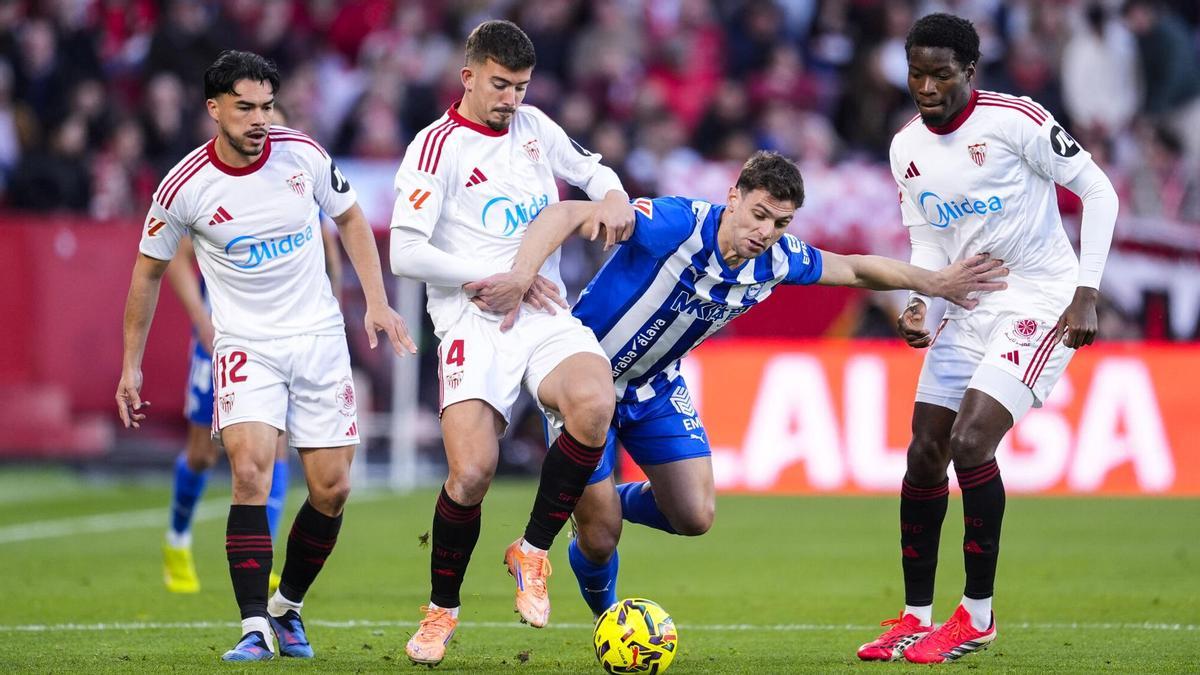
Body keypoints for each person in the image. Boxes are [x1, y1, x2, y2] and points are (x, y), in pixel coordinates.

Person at [468, 150, 1010, 624]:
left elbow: (853, 268)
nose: (766, 232)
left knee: (695, 516)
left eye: (781, 222)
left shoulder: (777, 261)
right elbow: (563, 213)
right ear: (733, 198)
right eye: (758, 215)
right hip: (583, 379)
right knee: (602, 533)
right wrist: (521, 275)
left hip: (654, 387)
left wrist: (934, 282)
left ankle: (598, 502)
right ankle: (607, 612)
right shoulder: (674, 223)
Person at [115, 50, 416, 662]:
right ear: (215, 108)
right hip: (245, 345)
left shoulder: (302, 155)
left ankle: (287, 608)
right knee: (250, 472)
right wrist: (131, 364)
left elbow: (354, 221)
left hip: (320, 339)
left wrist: (376, 302)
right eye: (245, 107)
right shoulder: (184, 187)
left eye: (266, 106)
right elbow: (146, 275)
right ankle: (253, 624)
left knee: (330, 489)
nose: (259, 119)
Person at [852, 13, 1117, 663]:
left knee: (972, 439)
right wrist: (919, 300)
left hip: (1040, 298)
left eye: (942, 73)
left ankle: (977, 615)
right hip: (965, 306)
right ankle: (915, 616)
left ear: (970, 70)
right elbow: (927, 236)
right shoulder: (904, 147)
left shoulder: (1015, 120)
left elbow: (1099, 190)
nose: (927, 86)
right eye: (917, 72)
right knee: (923, 453)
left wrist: (1087, 288)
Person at [388, 20, 634, 666]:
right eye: (500, 85)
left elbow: (596, 171)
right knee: (471, 473)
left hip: (544, 311)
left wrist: (612, 197)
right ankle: (442, 610)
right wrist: (488, 278)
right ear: (468, 75)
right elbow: (406, 250)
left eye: (521, 87)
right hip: (474, 319)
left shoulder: (535, 128)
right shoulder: (434, 149)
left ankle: (531, 549)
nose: (512, 99)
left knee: (593, 401)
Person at [160, 106, 343, 596]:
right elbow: (174, 260)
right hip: (226, 332)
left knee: (273, 448)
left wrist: (337, 305)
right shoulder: (204, 184)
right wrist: (202, 321)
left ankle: (267, 563)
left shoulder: (299, 172)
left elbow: (332, 245)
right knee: (201, 454)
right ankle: (177, 537)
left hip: (292, 337)